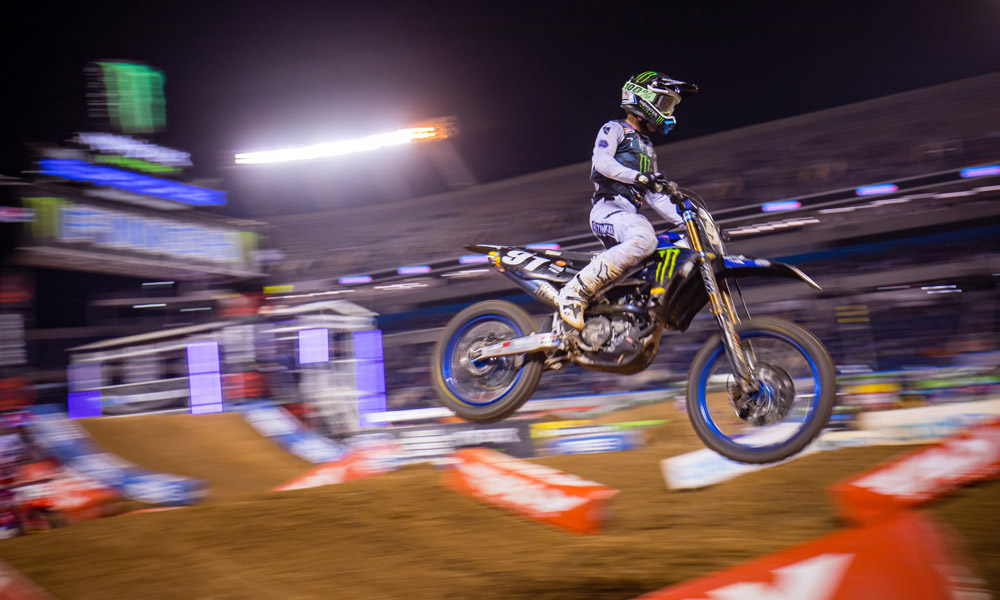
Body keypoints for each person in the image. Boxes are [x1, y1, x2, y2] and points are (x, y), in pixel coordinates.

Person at [556, 71, 698, 330]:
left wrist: (691, 219)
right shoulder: (614, 128)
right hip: (608, 209)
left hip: (627, 214)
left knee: (674, 244)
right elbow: (602, 162)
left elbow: (656, 197)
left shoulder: (648, 148)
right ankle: (575, 291)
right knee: (645, 237)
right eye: (665, 103)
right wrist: (639, 177)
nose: (668, 111)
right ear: (643, 99)